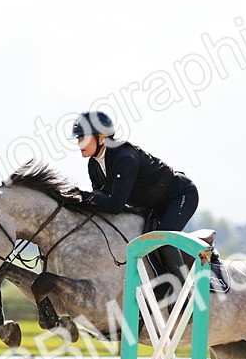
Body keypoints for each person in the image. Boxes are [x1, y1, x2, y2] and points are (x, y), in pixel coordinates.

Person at [70, 110, 198, 296]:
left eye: (82, 137)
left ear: (102, 137)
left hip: (180, 196)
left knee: (162, 241)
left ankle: (186, 293)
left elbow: (114, 205)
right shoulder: (94, 164)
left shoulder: (124, 158)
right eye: (77, 138)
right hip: (153, 206)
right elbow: (100, 202)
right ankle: (160, 286)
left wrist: (80, 194)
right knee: (141, 240)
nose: (78, 142)